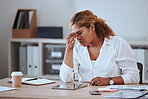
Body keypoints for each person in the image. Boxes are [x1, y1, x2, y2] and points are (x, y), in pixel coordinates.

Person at [60, 10, 139, 86]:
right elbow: (66, 79)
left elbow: (134, 76)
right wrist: (69, 50)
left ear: (92, 27)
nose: (77, 38)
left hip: (112, 94)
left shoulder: (118, 44)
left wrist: (108, 80)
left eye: (80, 33)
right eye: (75, 35)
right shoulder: (77, 49)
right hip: (85, 94)